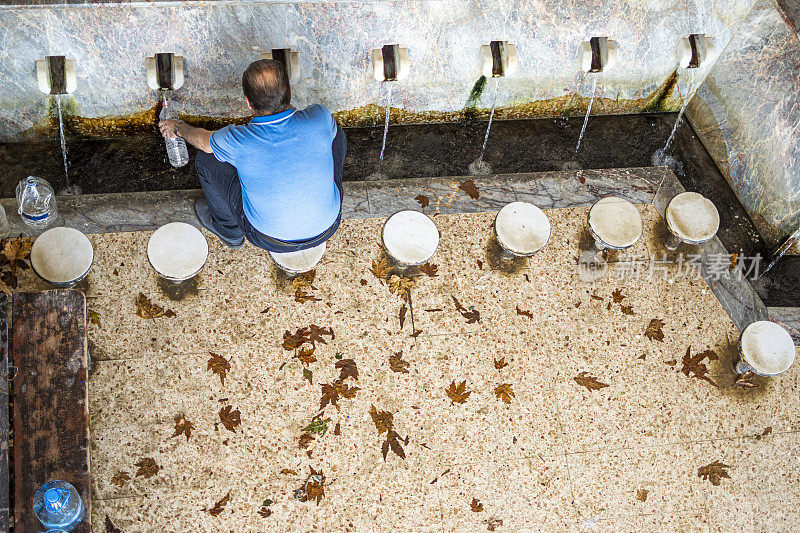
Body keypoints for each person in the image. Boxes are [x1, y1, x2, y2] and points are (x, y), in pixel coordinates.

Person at [158, 59, 346, 251]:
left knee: (207, 160)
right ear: (289, 88)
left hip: (267, 237)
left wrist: (178, 127)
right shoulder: (319, 116)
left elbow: (203, 142)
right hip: (328, 226)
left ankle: (229, 231)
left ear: (248, 102)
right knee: (336, 133)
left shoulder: (238, 141)